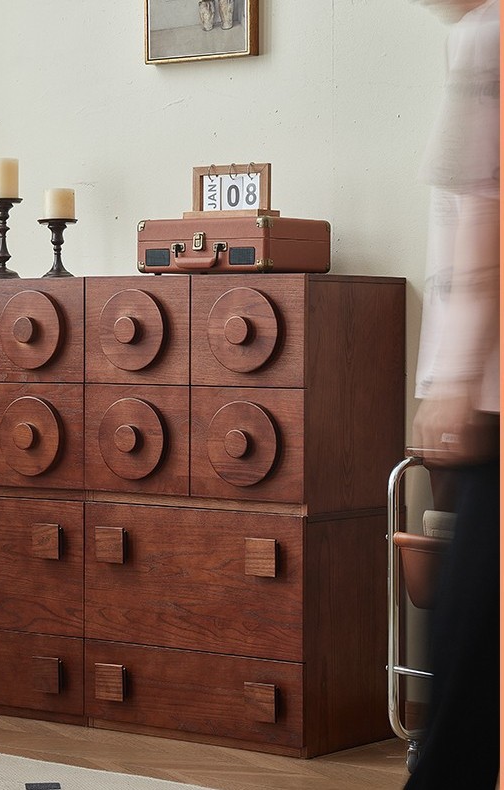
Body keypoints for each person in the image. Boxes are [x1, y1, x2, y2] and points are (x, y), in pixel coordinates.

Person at [406, 1, 499, 787]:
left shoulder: (488, 36)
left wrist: (454, 381)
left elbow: (484, 224)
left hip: (494, 395)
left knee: (470, 655)